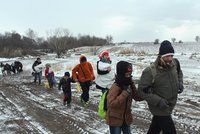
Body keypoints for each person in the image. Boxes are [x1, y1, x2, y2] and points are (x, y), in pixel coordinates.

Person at [138, 40, 184, 134]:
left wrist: (180, 82)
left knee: (155, 128)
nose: (170, 58)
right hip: (159, 107)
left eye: (172, 55)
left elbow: (179, 73)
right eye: (167, 56)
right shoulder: (150, 71)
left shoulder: (175, 63)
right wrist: (158, 101)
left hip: (170, 103)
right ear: (161, 56)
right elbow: (142, 91)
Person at [106, 61, 142, 134]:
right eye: (127, 74)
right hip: (115, 119)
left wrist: (146, 93)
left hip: (126, 118)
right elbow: (111, 104)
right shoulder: (115, 86)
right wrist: (124, 93)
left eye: (130, 74)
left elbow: (137, 97)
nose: (129, 77)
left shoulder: (129, 83)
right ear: (122, 74)